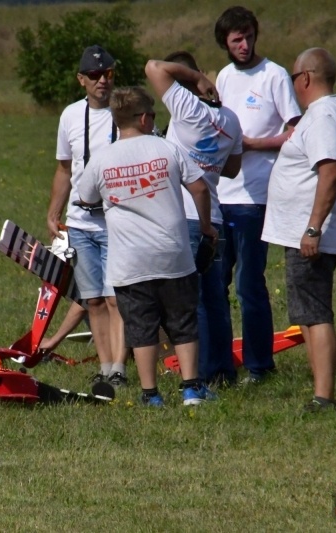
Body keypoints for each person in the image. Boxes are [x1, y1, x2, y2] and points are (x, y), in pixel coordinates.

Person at [76, 86, 218, 407]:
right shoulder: (166, 148)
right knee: (182, 322)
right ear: (143, 118)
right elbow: (199, 188)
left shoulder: (102, 158)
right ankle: (191, 388)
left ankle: (150, 394)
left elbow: (86, 197)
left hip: (129, 261)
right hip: (173, 255)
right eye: (153, 115)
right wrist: (206, 226)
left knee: (141, 326)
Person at [261, 47, 336, 412]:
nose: (293, 85)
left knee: (315, 311)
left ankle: (324, 396)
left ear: (305, 78)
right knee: (306, 311)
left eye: (293, 78)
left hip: (309, 232)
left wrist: (314, 228)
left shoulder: (322, 116)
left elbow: (332, 170)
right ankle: (321, 389)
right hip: (318, 228)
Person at [213, 6, 302, 384]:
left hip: (256, 198)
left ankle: (259, 365)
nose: (244, 44)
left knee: (251, 283)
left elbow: (296, 130)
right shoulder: (223, 77)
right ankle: (217, 366)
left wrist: (252, 145)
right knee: (215, 283)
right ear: (226, 43)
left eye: (249, 36)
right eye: (237, 39)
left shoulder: (275, 75)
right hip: (220, 196)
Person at [144, 52, 243, 387]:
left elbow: (153, 66)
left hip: (185, 218)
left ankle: (197, 374)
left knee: (193, 300)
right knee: (216, 299)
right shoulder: (231, 119)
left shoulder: (187, 108)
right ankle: (223, 370)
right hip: (214, 216)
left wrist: (196, 80)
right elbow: (232, 169)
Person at [46, 45, 128, 386]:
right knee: (93, 298)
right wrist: (53, 212)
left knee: (115, 298)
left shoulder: (125, 113)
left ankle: (120, 370)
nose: (102, 81)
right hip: (80, 221)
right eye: (94, 76)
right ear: (82, 80)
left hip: (117, 219)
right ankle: (105, 369)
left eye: (107, 74)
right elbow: (65, 169)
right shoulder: (69, 116)